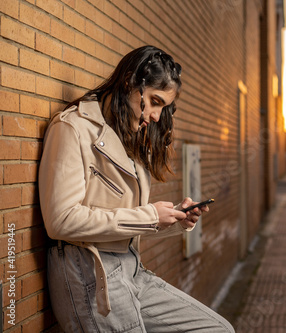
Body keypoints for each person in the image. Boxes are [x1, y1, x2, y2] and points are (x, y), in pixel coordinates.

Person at [39, 45, 235, 332]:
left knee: (218, 329)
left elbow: (127, 220)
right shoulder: (73, 129)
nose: (156, 115)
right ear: (131, 81)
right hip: (91, 274)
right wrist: (150, 217)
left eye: (163, 107)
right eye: (154, 101)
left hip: (131, 269)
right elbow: (61, 221)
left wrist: (176, 218)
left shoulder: (127, 137)